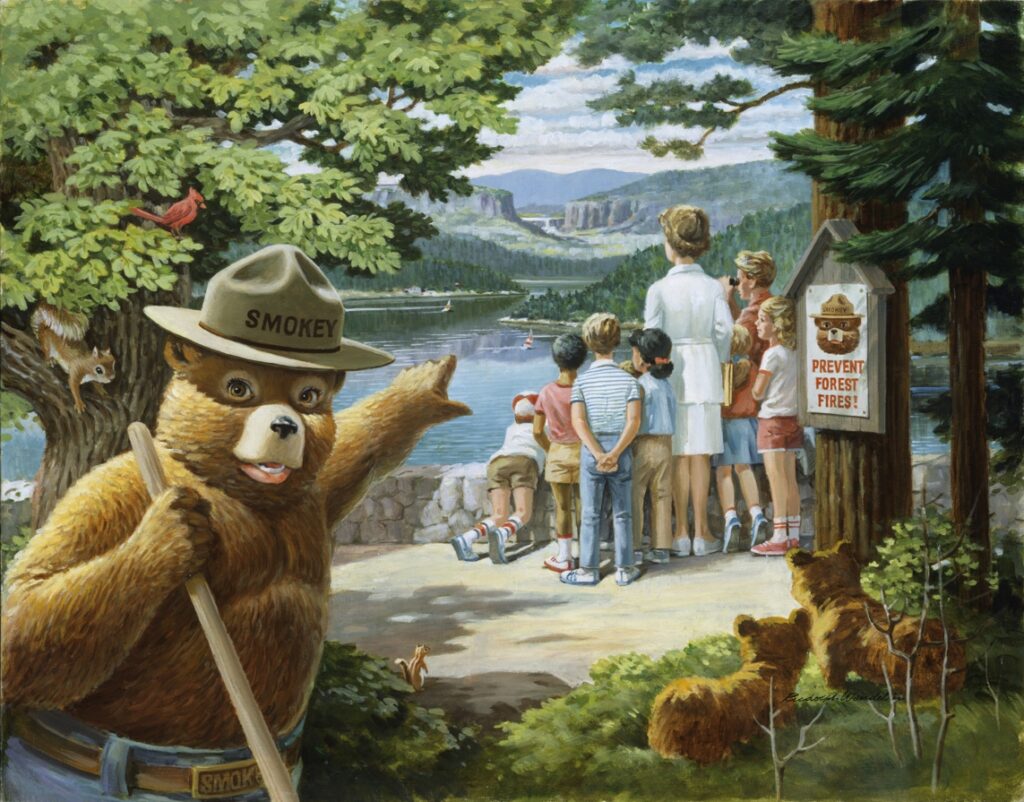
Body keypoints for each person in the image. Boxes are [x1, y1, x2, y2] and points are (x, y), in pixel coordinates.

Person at [645, 205, 733, 558]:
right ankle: (702, 532)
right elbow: (724, 331)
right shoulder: (712, 287)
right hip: (705, 371)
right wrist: (720, 358)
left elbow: (651, 337)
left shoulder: (659, 289)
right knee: (700, 455)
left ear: (671, 244)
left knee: (678, 454)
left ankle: (679, 532)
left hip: (672, 374)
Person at [561, 313, 642, 587]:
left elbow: (579, 422)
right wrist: (615, 453)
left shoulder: (581, 383)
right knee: (623, 513)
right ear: (617, 342)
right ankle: (625, 568)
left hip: (591, 452)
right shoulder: (630, 382)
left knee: (590, 514)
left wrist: (598, 454)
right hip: (621, 449)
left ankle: (588, 570)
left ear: (588, 343)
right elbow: (634, 423)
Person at [450, 392, 545, 564]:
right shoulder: (543, 427)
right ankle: (502, 534)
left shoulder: (511, 429)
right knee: (523, 513)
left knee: (499, 514)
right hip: (524, 461)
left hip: (496, 463)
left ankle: (467, 538)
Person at [750, 296, 802, 556]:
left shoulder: (771, 355)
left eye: (762, 320)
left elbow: (758, 392)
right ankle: (794, 533)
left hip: (772, 421)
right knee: (790, 478)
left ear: (776, 324)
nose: (758, 325)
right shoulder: (795, 352)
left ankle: (779, 535)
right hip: (793, 420)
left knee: (776, 478)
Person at [533, 333, 588, 572]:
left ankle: (564, 557)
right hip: (583, 452)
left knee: (562, 507)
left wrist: (551, 449)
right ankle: (587, 555)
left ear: (556, 359)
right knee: (584, 507)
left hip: (558, 454)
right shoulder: (585, 388)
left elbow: (536, 431)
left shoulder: (546, 392)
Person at [714, 325, 768, 551]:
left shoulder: (722, 369)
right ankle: (756, 514)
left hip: (726, 424)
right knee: (744, 469)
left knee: (723, 472)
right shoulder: (752, 367)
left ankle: (730, 518)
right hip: (748, 424)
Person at [628, 328, 677, 564]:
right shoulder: (667, 384)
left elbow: (636, 420)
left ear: (644, 358)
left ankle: (635, 547)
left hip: (644, 443)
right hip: (666, 444)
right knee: (662, 495)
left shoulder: (641, 385)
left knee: (636, 494)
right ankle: (662, 548)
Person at [719, 250, 776, 368]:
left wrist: (723, 301)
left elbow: (733, 344)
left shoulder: (751, 314)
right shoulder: (771, 304)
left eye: (739, 280)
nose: (736, 286)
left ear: (751, 281)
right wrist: (730, 299)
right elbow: (743, 322)